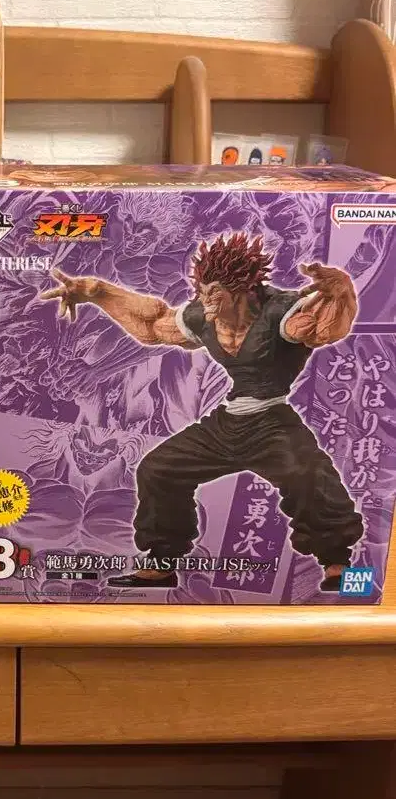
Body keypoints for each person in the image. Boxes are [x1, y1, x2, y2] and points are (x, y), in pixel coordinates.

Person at [41, 233, 363, 592]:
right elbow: (152, 325)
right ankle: (161, 563)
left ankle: (337, 563)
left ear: (241, 291)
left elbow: (325, 331)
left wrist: (341, 292)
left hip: (272, 421)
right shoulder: (202, 316)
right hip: (227, 422)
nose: (206, 301)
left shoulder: (283, 313)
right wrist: (98, 291)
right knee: (159, 469)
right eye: (203, 291)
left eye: (215, 294)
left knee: (308, 475)